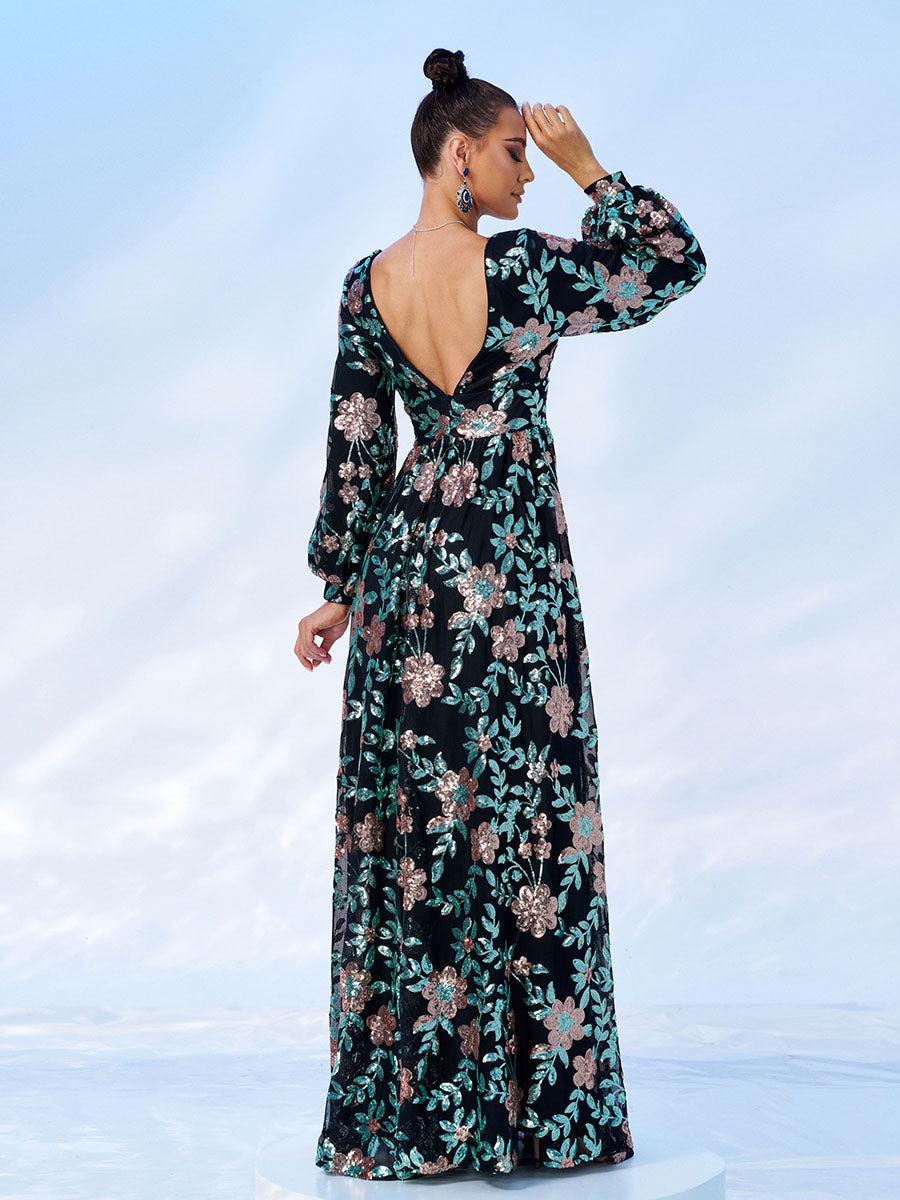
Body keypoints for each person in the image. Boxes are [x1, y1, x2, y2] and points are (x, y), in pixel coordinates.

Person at [295, 46, 707, 1180]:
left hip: (410, 584)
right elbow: (671, 264)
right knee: (527, 820)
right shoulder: (521, 271)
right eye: (518, 152)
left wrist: (337, 591)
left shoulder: (365, 284)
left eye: (538, 157)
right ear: (458, 154)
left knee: (424, 832)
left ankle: (424, 1118)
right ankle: (538, 1117)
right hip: (509, 574)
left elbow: (357, 448)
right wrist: (595, 172)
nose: (530, 171)